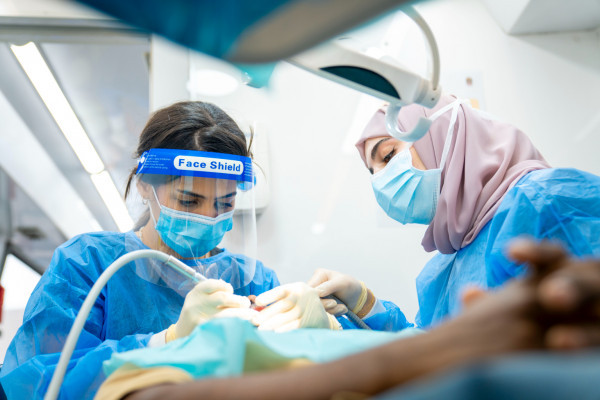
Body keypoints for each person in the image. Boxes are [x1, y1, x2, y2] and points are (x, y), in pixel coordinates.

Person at [93, 239, 600, 400]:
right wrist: (169, 337)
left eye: (225, 203)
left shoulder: (338, 338)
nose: (253, 305)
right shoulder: (201, 347)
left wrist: (345, 319)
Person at [314, 94, 600, 329]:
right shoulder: (447, 267)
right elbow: (432, 352)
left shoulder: (546, 201)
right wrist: (364, 304)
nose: (380, 180)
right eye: (373, 172)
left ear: (439, 135)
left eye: (388, 156)